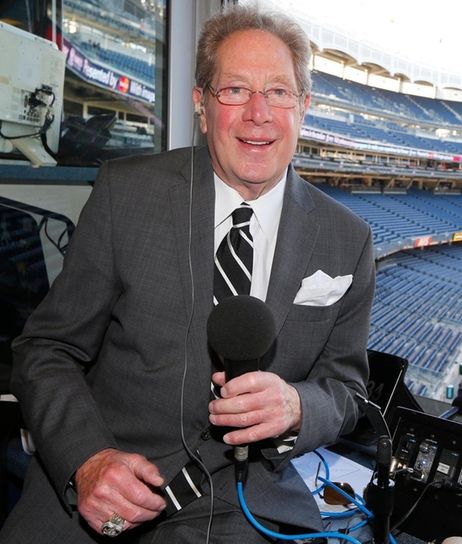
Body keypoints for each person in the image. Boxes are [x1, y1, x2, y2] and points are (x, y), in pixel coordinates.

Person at [0, 5, 375, 543]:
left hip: (244, 502)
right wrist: (88, 459)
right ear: (201, 105)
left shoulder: (349, 239)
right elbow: (45, 350)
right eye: (235, 90)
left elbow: (346, 389)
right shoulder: (125, 193)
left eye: (278, 92)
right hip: (108, 482)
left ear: (304, 107)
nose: (258, 114)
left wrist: (297, 406)